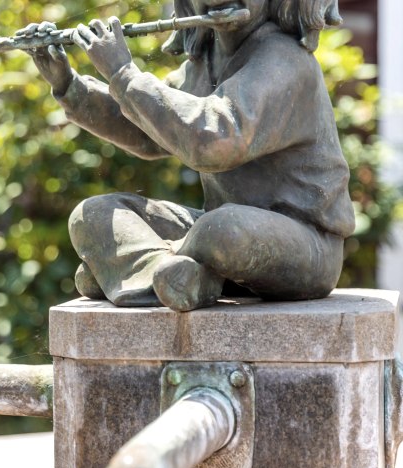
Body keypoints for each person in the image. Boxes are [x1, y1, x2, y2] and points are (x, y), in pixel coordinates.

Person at [23, 0, 355, 311]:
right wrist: (69, 85)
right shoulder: (203, 64)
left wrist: (123, 73)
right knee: (91, 214)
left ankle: (135, 269)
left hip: (304, 245)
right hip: (215, 236)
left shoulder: (285, 61)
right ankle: (179, 276)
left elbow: (213, 141)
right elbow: (147, 131)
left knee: (223, 229)